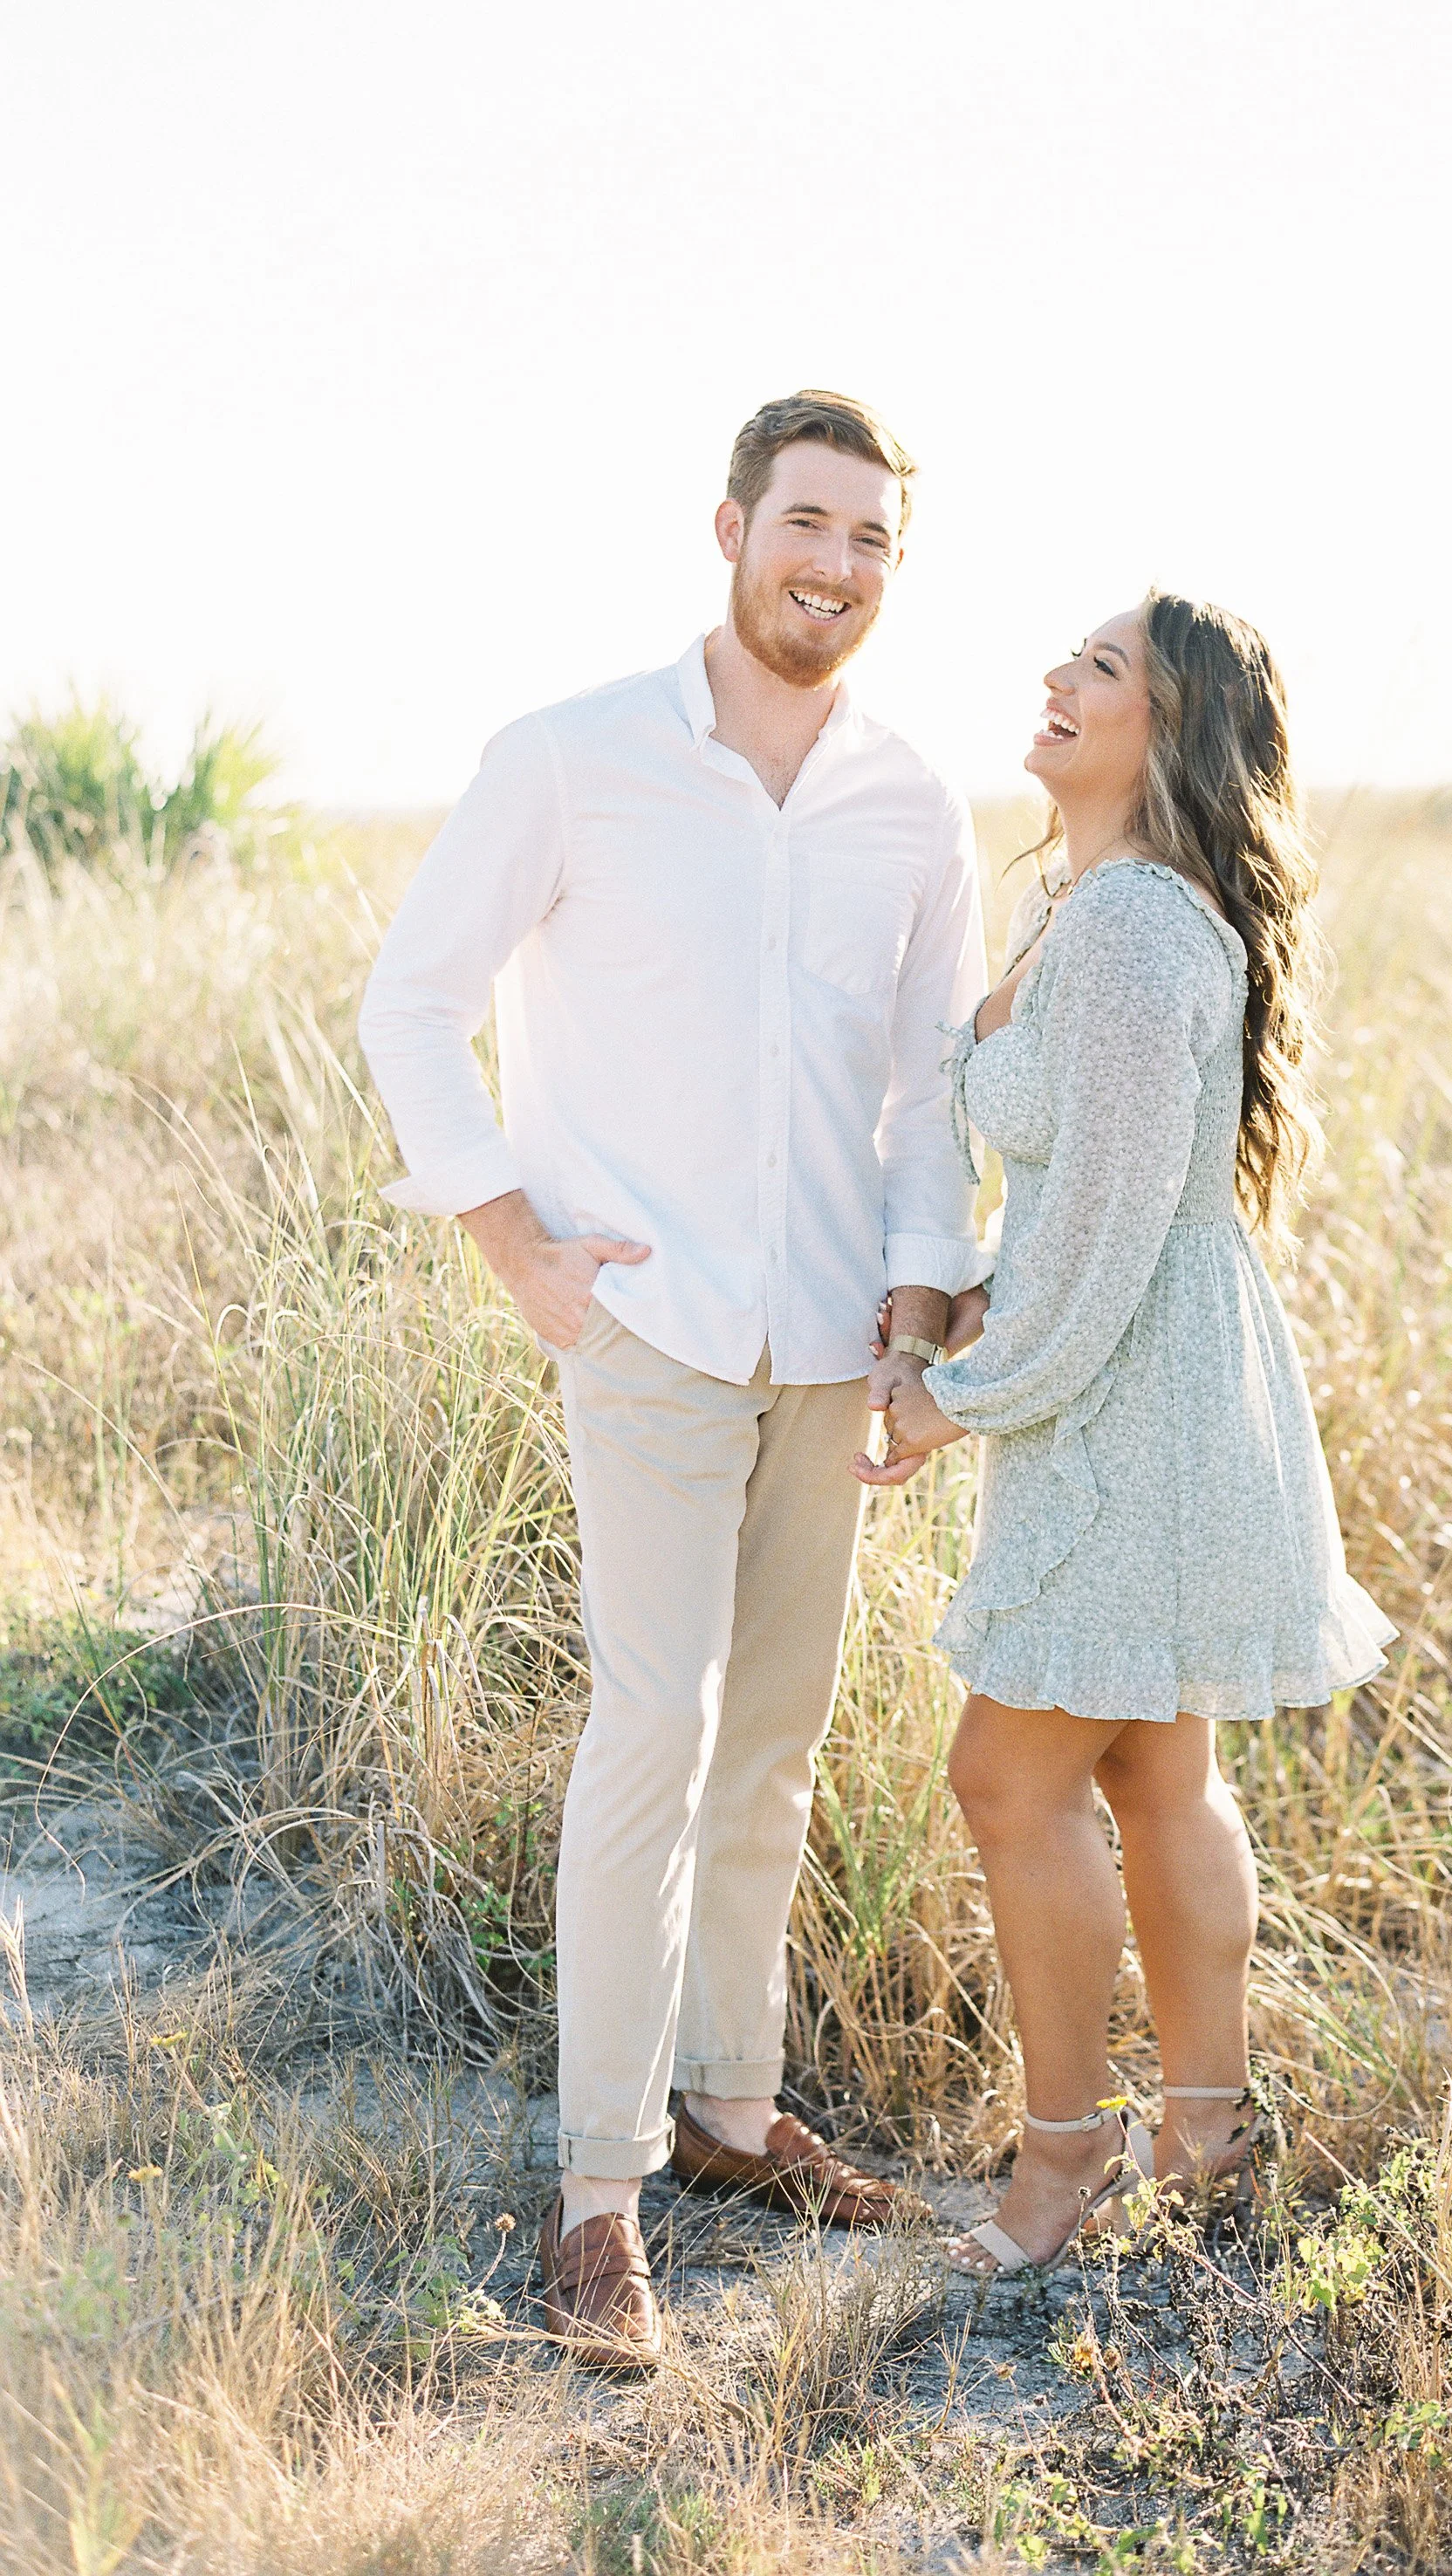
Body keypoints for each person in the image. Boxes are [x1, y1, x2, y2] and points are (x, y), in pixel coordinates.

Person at [359, 390, 991, 2366]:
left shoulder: (913, 800)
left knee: (778, 1735)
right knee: (654, 1727)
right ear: (730, 527)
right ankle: (599, 2196)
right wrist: (509, 1237)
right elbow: (413, 1003)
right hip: (646, 1322)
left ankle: (729, 2107)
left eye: (875, 539)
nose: (838, 564)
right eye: (811, 522)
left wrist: (917, 1315)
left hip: (824, 1340)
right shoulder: (573, 758)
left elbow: (924, 1094)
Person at [855, 591, 1395, 2275]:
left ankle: (1064, 2162)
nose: (1057, 680)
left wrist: (960, 1396)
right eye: (1069, 658)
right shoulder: (1104, 911)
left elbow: (1099, 1239)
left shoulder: (1133, 930)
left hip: (1125, 1408)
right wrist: (949, 1305)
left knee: (1007, 1778)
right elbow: (1092, 1208)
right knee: (1162, 1772)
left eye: (1103, 670)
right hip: (1157, 1380)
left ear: (1175, 732)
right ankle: (1208, 2137)